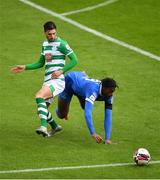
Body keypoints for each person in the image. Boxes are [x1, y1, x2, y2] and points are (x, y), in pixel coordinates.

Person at [11, 21, 78, 137]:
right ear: (44, 33)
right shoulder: (45, 45)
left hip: (57, 81)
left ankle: (43, 127)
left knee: (39, 96)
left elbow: (75, 60)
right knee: (41, 111)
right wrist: (25, 67)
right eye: (49, 34)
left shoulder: (62, 44)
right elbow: (40, 63)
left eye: (54, 33)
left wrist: (61, 70)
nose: (52, 36)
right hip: (47, 81)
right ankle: (55, 127)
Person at [56, 71, 118, 144]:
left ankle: (80, 91)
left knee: (84, 106)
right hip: (70, 82)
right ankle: (63, 110)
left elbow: (108, 116)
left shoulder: (109, 96)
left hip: (83, 87)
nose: (111, 94)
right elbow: (87, 113)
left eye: (113, 91)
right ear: (104, 88)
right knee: (62, 115)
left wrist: (107, 138)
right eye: (110, 91)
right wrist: (93, 133)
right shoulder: (93, 91)